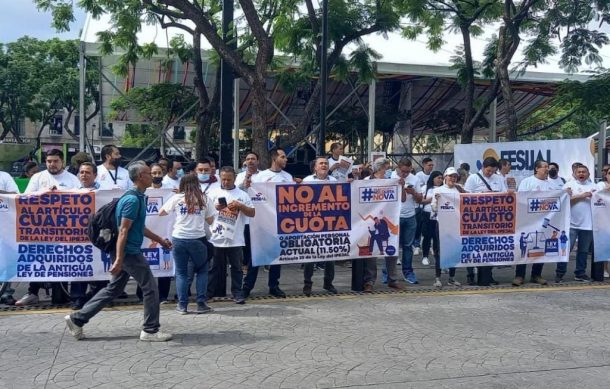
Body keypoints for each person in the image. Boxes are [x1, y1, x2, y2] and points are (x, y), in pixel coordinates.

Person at [65, 161, 173, 341]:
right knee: (151, 289)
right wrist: (119, 259)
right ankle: (150, 330)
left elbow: (138, 227)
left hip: (125, 252)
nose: (153, 176)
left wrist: (160, 240)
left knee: (113, 289)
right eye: (148, 173)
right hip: (129, 252)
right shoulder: (132, 200)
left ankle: (77, 319)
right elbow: (123, 230)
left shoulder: (137, 197)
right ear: (140, 177)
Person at [15, 149, 81, 306]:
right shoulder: (38, 177)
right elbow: (26, 198)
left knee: (62, 261)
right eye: (49, 161)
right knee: (37, 259)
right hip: (42, 228)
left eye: (56, 161)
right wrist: (44, 194)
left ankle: (62, 294)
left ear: (63, 162)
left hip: (65, 230)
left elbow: (80, 198)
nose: (52, 164)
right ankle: (33, 292)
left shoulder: (72, 179)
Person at [159, 173, 212, 314]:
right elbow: (211, 221)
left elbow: (161, 212)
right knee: (202, 270)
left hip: (178, 238)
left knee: (181, 273)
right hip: (198, 239)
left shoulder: (177, 198)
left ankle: (182, 306)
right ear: (197, 184)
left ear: (182, 184)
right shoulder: (204, 198)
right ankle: (201, 303)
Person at [243, 147, 292, 298]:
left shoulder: (288, 177)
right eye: (283, 157)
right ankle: (247, 287)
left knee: (277, 255)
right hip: (260, 222)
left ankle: (274, 286)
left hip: (279, 222)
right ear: (274, 158)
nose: (286, 159)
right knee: (255, 256)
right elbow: (249, 194)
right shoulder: (261, 177)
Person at [206, 166, 255, 304]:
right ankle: (209, 293)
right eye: (223, 179)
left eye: (229, 179)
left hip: (236, 238)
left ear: (234, 178)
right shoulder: (213, 193)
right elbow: (204, 213)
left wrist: (240, 206)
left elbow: (252, 212)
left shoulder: (242, 195)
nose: (226, 182)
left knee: (237, 268)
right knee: (214, 268)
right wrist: (215, 208)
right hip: (216, 237)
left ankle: (237, 293)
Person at [464, 157, 507, 286]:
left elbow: (504, 194)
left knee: (490, 248)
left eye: (492, 171)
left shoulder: (499, 179)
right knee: (474, 248)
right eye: (488, 171)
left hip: (494, 218)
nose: (489, 174)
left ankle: (488, 276)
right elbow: (465, 196)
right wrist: (482, 194)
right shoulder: (473, 178)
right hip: (476, 218)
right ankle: (471, 275)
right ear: (483, 167)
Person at [361, 158, 400, 293]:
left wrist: (402, 186)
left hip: (389, 220)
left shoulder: (392, 181)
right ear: (380, 168)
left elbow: (403, 199)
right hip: (372, 223)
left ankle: (392, 279)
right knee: (371, 252)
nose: (388, 170)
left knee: (391, 249)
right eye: (386, 167)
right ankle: (369, 281)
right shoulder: (366, 182)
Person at [301, 156, 338, 296]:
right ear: (315, 167)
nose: (324, 165)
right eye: (321, 163)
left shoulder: (335, 181)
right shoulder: (307, 181)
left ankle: (328, 283)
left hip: (330, 223)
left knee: (330, 255)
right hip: (312, 223)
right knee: (310, 255)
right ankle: (307, 284)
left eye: (326, 163)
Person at [136, 163, 171, 303]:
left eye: (159, 173)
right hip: (145, 234)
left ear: (163, 174)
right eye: (154, 173)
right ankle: (142, 295)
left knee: (165, 262)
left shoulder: (170, 192)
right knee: (145, 265)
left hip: (163, 232)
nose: (156, 176)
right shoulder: (143, 191)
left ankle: (163, 296)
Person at [555, 164, 597, 283]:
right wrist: (582, 196)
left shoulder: (594, 187)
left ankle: (580, 273)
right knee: (565, 250)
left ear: (588, 174)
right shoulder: (568, 185)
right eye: (579, 172)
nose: (581, 174)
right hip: (571, 224)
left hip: (588, 224)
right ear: (574, 174)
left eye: (584, 172)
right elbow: (563, 201)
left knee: (583, 251)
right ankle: (559, 273)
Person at [513, 159, 551, 286]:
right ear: (537, 169)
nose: (547, 169)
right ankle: (519, 275)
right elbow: (521, 199)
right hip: (527, 221)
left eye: (547, 167)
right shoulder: (527, 182)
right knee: (524, 248)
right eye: (544, 167)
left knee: (540, 247)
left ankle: (536, 274)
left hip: (543, 222)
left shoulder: (550, 184)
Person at [430, 167, 463, 288]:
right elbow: (433, 208)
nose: (453, 178)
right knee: (439, 251)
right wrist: (438, 201)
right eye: (450, 176)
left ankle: (452, 278)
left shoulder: (458, 190)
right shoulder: (438, 190)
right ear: (445, 177)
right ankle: (437, 278)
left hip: (455, 224)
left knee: (454, 250)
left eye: (455, 176)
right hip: (442, 224)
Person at [392, 158, 422, 284]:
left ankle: (408, 272)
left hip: (410, 216)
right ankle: (388, 273)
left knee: (408, 246)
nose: (405, 174)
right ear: (398, 167)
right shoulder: (390, 176)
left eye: (407, 172)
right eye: (403, 171)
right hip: (394, 216)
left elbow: (420, 199)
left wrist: (413, 192)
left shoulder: (415, 179)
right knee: (391, 246)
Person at [235, 152, 261, 271]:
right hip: (245, 216)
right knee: (246, 243)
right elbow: (234, 192)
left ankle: (255, 264)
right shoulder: (240, 176)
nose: (250, 161)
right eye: (248, 159)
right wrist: (243, 184)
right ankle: (245, 265)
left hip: (260, 215)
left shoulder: (263, 175)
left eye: (253, 159)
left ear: (258, 161)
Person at [420, 171, 444, 268]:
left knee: (437, 238)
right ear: (432, 178)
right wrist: (431, 199)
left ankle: (437, 258)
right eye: (438, 178)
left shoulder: (443, 188)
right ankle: (425, 256)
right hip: (427, 214)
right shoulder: (425, 188)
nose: (440, 180)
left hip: (440, 215)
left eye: (441, 178)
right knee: (427, 236)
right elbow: (420, 200)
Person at [414, 157, 435, 255]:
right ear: (424, 165)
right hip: (419, 205)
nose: (431, 167)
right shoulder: (418, 175)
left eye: (432, 165)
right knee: (418, 226)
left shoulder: (433, 176)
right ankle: (416, 245)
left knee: (428, 229)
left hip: (430, 207)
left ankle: (429, 246)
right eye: (429, 165)